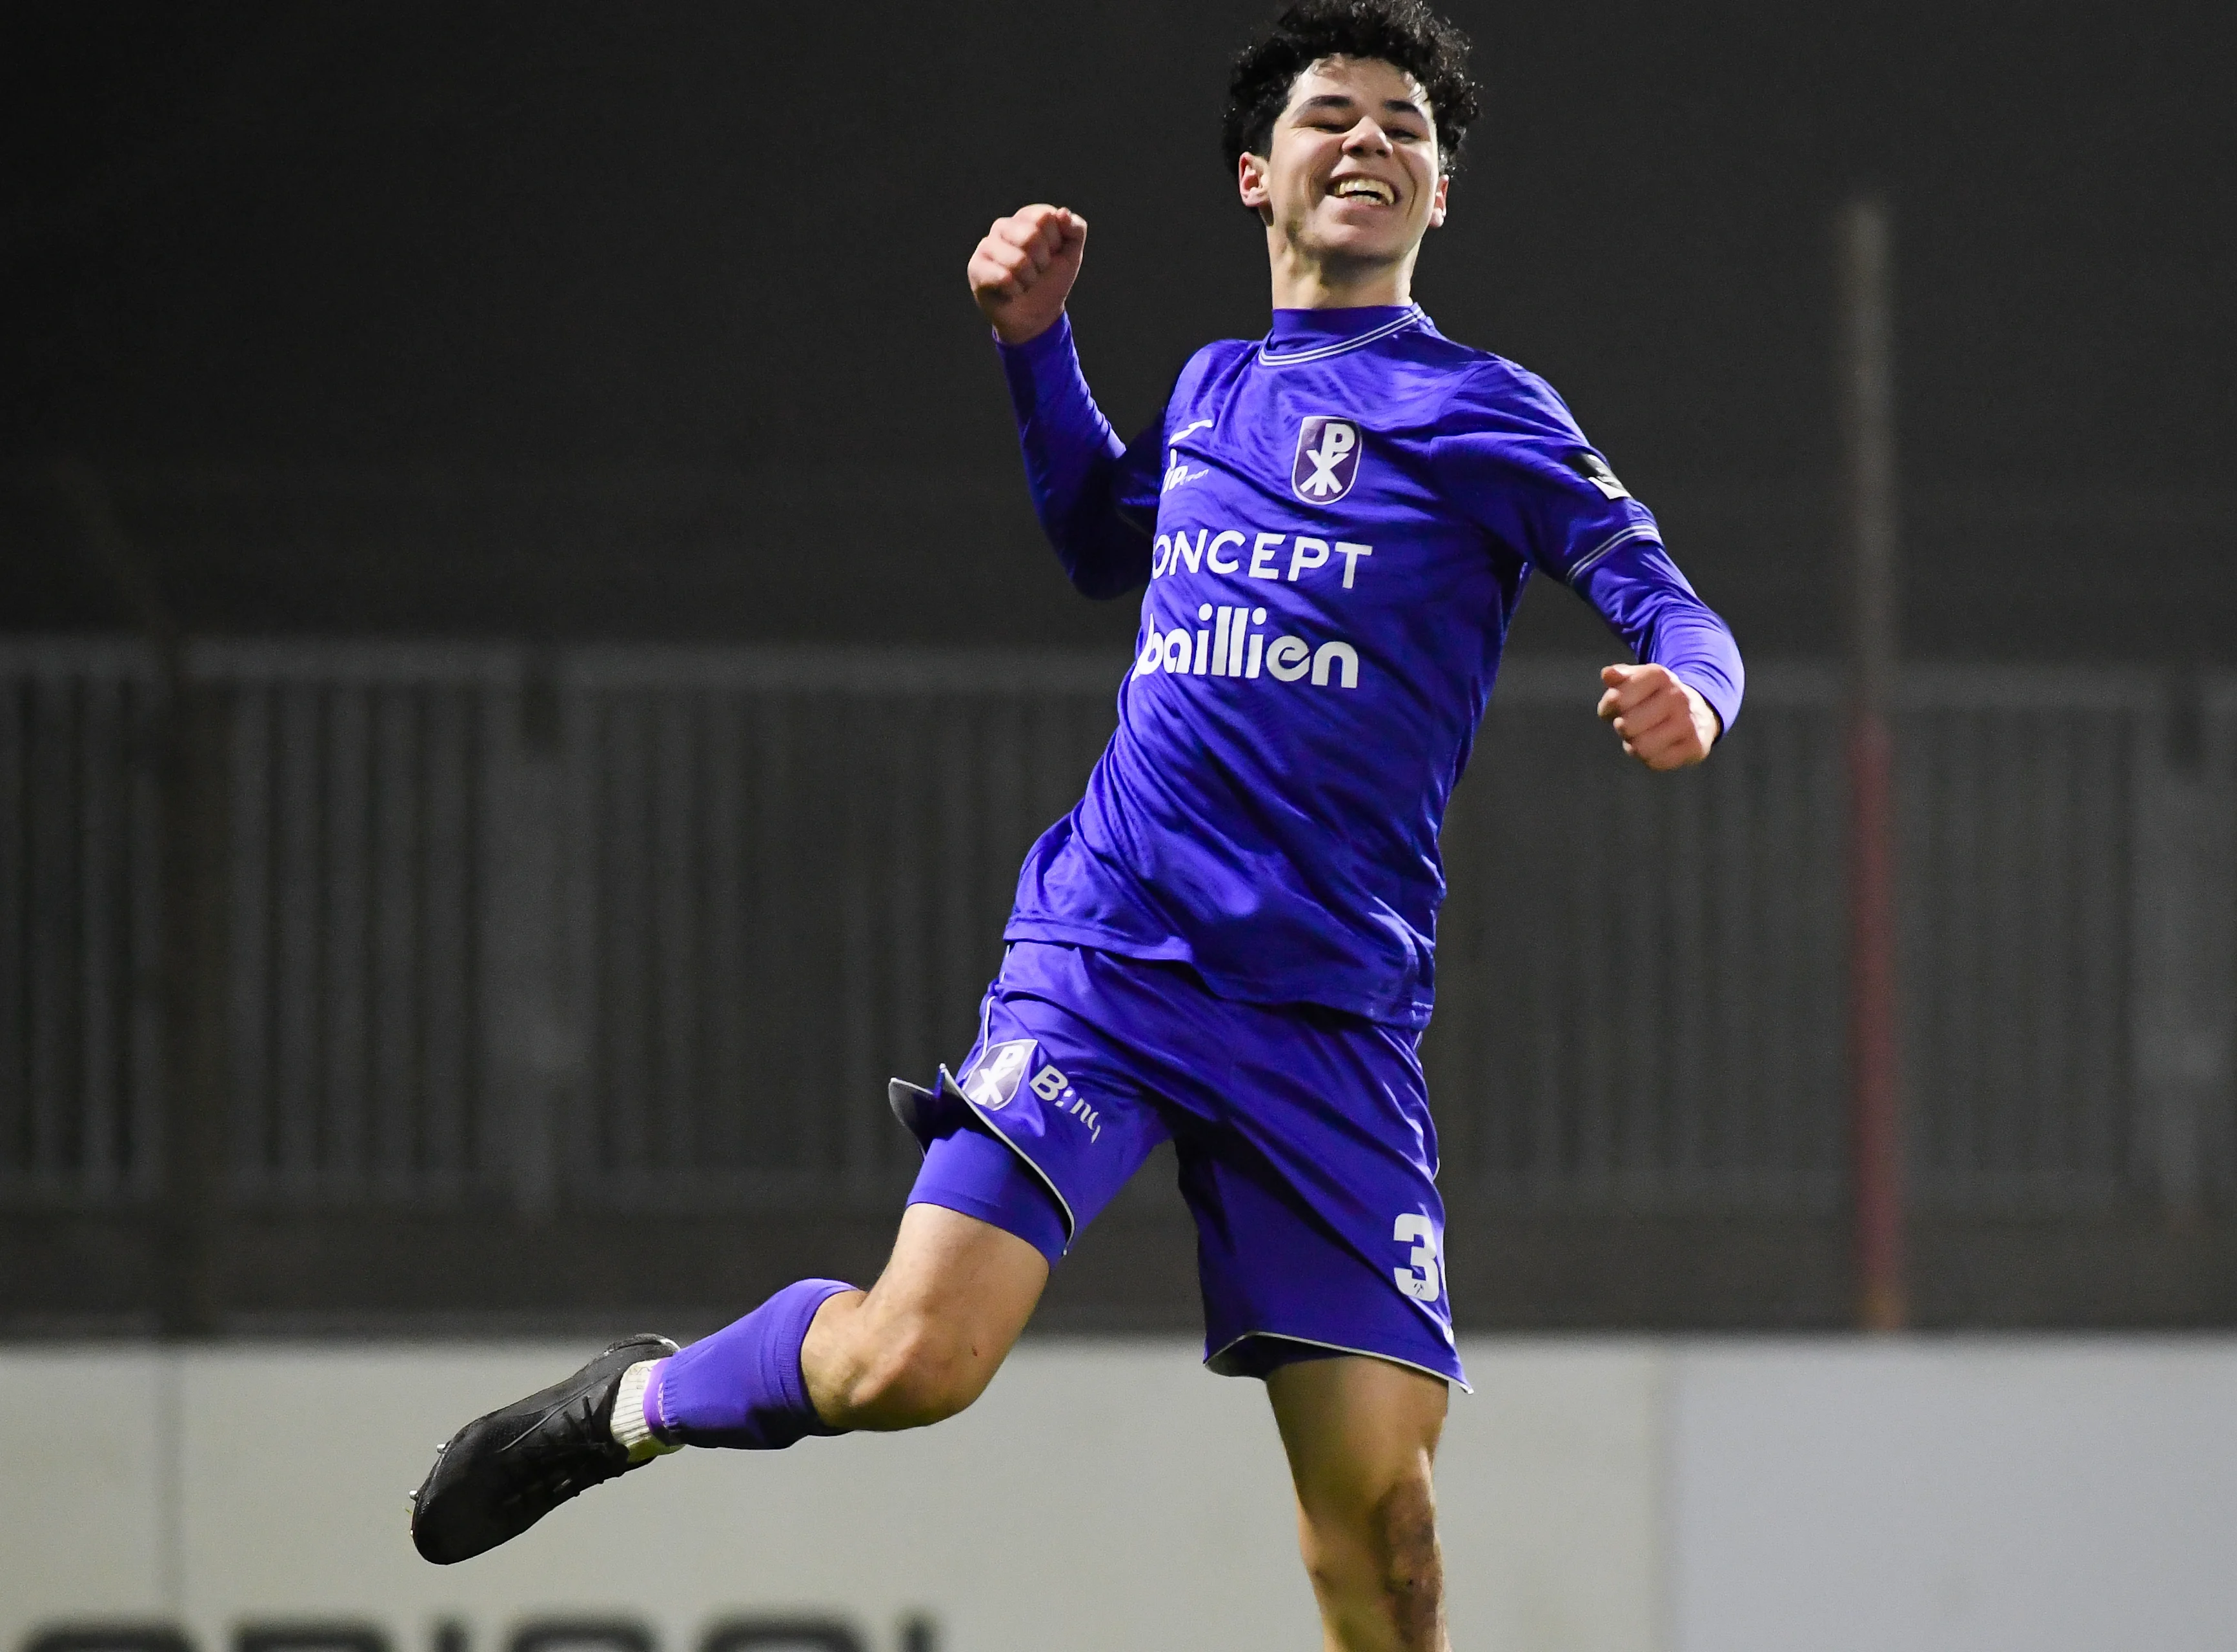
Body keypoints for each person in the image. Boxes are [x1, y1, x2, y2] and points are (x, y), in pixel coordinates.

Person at [410, 3, 1741, 1646]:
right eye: (1337, 115)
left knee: (1382, 1535)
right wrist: (1036, 347)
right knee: (914, 1363)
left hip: (1331, 1017)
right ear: (1259, 174)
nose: (1375, 141)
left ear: (1441, 195)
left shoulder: (1483, 411)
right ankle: (630, 1405)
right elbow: (1103, 541)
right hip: (1113, 950)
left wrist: (1697, 695)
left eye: (1411, 126)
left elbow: (1677, 607)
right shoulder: (1207, 387)